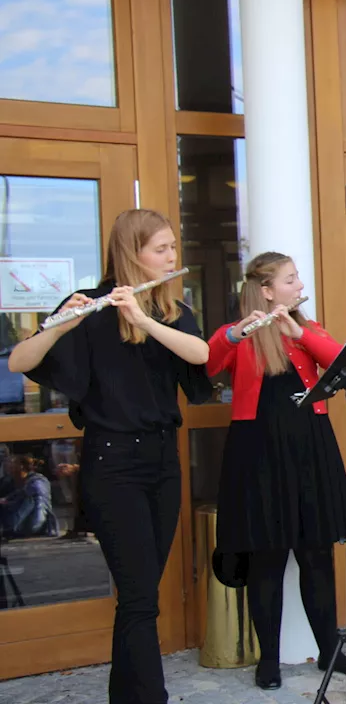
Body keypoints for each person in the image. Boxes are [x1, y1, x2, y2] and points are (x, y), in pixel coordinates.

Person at [7, 208, 212, 704]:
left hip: (162, 463)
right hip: (113, 463)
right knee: (140, 596)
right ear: (132, 253)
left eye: (171, 247)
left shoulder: (171, 309)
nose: (171, 256)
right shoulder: (89, 307)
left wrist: (142, 317)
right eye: (160, 248)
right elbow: (19, 361)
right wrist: (59, 326)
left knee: (141, 597)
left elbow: (200, 356)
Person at [207, 252, 346, 689]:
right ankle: (269, 661)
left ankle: (329, 650)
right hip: (257, 452)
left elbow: (341, 361)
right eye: (291, 279)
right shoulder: (243, 335)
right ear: (266, 289)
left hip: (309, 448)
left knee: (316, 554)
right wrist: (237, 333)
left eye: (298, 279)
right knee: (267, 558)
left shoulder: (306, 328)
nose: (299, 286)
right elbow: (208, 361)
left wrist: (298, 332)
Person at [0, 454, 58, 539]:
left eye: (11, 463)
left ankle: (11, 528)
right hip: (16, 521)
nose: (8, 465)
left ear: (21, 466)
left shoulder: (38, 482)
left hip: (35, 522)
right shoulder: (8, 481)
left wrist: (8, 501)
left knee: (29, 499)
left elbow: (38, 505)